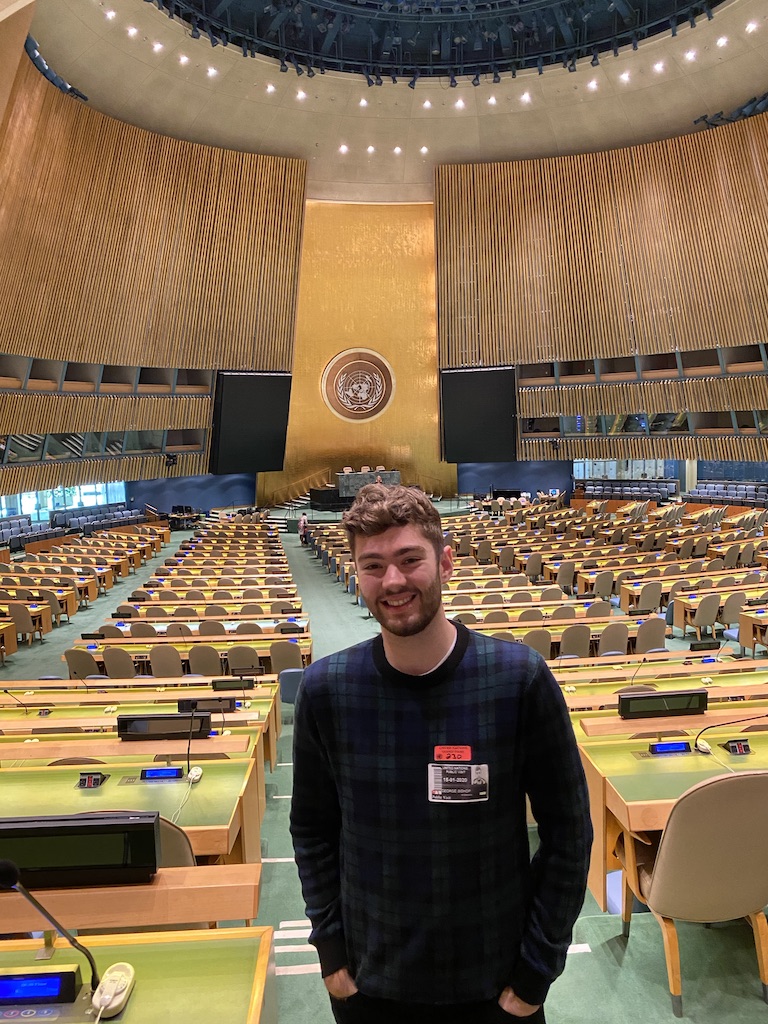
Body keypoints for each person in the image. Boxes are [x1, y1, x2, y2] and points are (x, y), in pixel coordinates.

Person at [290, 484, 592, 1024]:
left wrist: (534, 974)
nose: (394, 581)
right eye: (374, 565)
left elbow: (569, 833)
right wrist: (331, 955)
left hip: (497, 988)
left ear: (446, 562)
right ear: (356, 573)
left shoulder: (518, 679)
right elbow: (313, 830)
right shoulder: (325, 689)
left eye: (410, 560)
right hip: (369, 986)